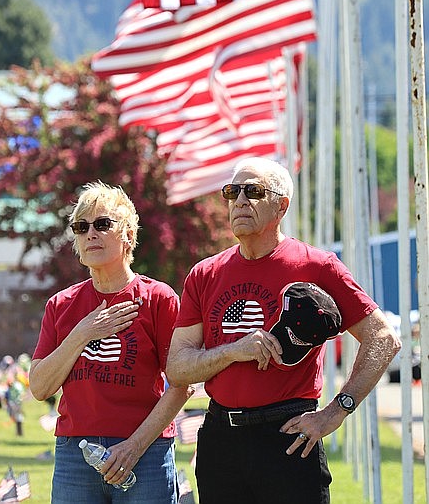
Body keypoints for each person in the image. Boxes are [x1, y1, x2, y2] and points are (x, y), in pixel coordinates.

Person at [166, 157, 401, 504]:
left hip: (290, 436)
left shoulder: (317, 265)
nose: (240, 201)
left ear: (281, 205)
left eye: (253, 191)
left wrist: (336, 411)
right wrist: (233, 350)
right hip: (221, 440)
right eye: (233, 192)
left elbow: (383, 338)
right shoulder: (205, 274)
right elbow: (177, 366)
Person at [30, 181, 192, 504]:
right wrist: (82, 333)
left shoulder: (159, 299)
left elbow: (182, 385)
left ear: (128, 236)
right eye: (82, 226)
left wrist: (133, 447)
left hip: (145, 453)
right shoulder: (61, 305)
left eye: (103, 224)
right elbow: (39, 387)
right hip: (75, 455)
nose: (91, 233)